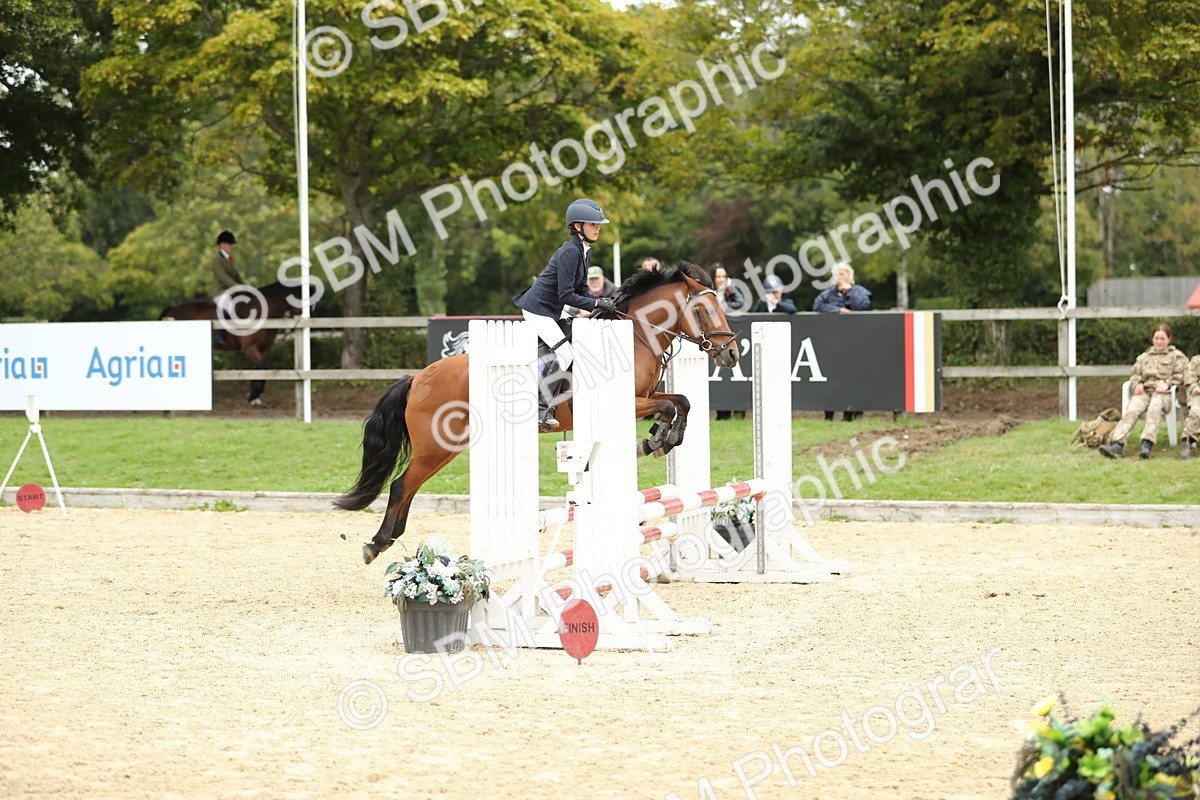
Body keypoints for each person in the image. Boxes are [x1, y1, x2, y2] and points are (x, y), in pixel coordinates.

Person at [513, 199, 617, 431]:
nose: (598, 228)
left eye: (599, 224)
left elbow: (580, 290)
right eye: (593, 224)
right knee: (566, 353)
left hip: (551, 310)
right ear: (578, 226)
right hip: (538, 310)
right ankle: (541, 409)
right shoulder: (570, 252)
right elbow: (566, 295)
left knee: (575, 347)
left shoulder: (583, 251)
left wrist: (601, 301)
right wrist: (597, 301)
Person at [1098, 323, 1189, 459]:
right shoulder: (1144, 357)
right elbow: (1135, 374)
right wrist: (1136, 384)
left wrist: (1167, 383)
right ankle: (1117, 445)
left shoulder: (1176, 356)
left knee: (1154, 408)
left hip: (1164, 393)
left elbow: (1184, 374)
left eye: (1162, 338)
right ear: (1152, 338)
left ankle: (1146, 445)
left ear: (1169, 339)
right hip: (1145, 391)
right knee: (1132, 409)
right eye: (1156, 338)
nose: (1159, 341)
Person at [212, 230, 245, 300]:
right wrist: (237, 287)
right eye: (229, 244)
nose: (232, 246)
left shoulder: (230, 259)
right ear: (222, 245)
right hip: (221, 293)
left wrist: (247, 288)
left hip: (232, 292)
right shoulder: (217, 260)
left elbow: (237, 276)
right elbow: (223, 277)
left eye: (232, 244)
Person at [1181, 352, 1200, 459]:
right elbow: (1189, 377)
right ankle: (1187, 442)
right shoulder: (1196, 361)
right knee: (1196, 411)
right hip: (1198, 394)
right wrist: (1194, 387)